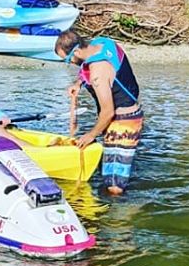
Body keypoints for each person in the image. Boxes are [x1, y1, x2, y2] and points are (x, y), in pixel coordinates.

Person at [55, 29, 143, 195]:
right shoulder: (102, 43)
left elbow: (108, 112)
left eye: (68, 60)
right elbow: (86, 66)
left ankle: (122, 215)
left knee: (114, 184)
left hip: (124, 122)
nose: (71, 64)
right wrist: (78, 83)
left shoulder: (97, 74)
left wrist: (91, 134)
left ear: (78, 51)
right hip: (127, 115)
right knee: (110, 171)